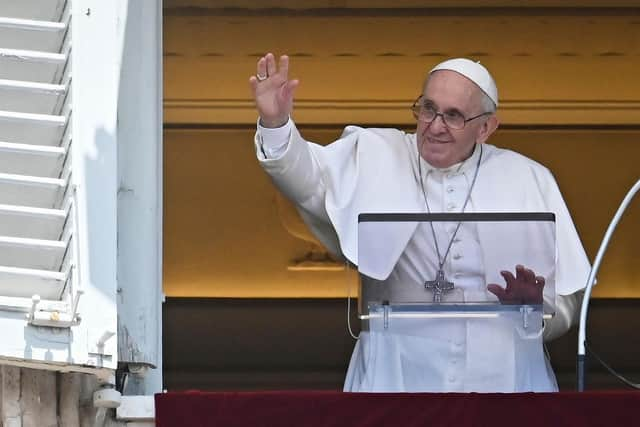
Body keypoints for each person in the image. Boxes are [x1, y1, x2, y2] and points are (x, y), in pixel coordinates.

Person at [250, 53, 590, 392]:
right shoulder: (376, 152)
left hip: (505, 374)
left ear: (485, 127)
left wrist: (533, 305)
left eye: (454, 116)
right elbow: (308, 182)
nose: (435, 126)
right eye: (428, 109)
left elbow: (563, 309)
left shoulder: (527, 178)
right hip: (396, 370)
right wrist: (277, 124)